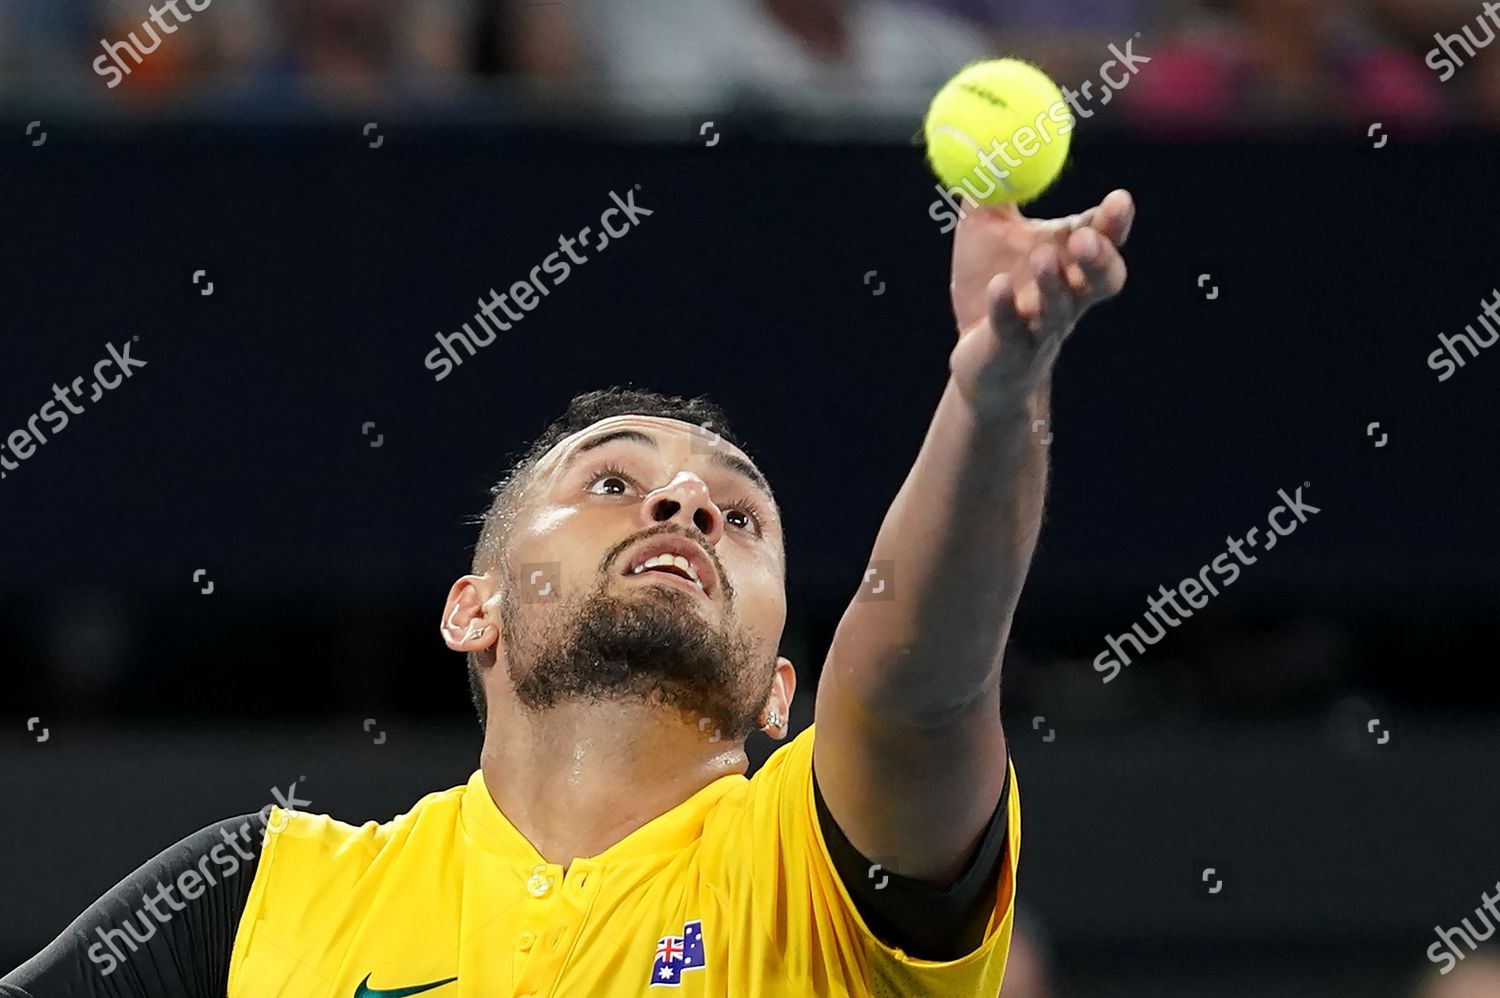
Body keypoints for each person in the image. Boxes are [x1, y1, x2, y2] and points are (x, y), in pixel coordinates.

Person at [0, 186, 1135, 997]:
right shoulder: (258, 891)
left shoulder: (814, 873)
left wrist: (993, 398)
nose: (685, 504)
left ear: (782, 691)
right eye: (611, 480)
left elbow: (921, 686)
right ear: (472, 608)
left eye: (739, 517)